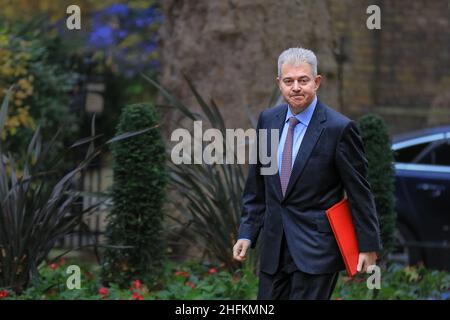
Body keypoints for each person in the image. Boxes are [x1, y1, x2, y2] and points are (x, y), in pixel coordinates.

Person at [232, 47, 382, 300]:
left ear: (317, 81)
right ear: (279, 83)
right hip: (274, 249)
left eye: (303, 80)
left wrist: (368, 246)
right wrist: (247, 233)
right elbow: (257, 186)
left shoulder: (339, 129)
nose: (296, 87)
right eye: (289, 81)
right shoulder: (268, 120)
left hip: (316, 251)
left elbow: (360, 193)